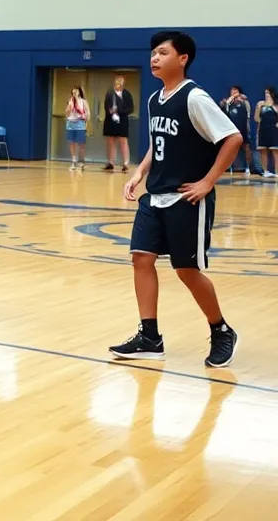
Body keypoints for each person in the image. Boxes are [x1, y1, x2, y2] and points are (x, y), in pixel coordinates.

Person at [111, 31, 242, 368]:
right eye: (153, 53)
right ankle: (149, 336)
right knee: (140, 258)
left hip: (187, 198)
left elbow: (233, 138)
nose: (155, 57)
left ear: (182, 59)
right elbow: (158, 144)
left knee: (186, 270)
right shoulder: (155, 99)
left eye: (163, 52)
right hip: (155, 195)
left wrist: (207, 183)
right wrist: (139, 172)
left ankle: (222, 330)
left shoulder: (195, 98)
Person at [102, 76, 134, 171]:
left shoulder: (127, 94)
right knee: (110, 141)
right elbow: (106, 106)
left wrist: (119, 111)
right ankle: (111, 162)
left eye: (120, 82)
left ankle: (126, 163)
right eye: (117, 82)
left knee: (123, 140)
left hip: (122, 120)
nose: (118, 84)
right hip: (110, 120)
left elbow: (130, 108)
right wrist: (111, 111)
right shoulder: (110, 94)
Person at [220, 86, 253, 175]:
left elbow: (248, 115)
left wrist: (248, 127)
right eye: (232, 90)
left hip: (243, 128)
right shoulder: (227, 102)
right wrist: (227, 102)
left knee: (246, 147)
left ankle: (248, 167)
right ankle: (228, 167)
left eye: (235, 90)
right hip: (231, 129)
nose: (233, 92)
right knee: (230, 148)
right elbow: (223, 110)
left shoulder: (244, 102)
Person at [65, 86, 90, 171]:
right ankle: (73, 161)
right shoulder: (70, 100)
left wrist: (86, 121)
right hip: (70, 124)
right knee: (71, 143)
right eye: (73, 90)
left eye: (76, 90)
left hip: (80, 123)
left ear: (80, 92)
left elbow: (88, 113)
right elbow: (67, 113)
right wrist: (69, 106)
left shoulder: (83, 101)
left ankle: (82, 161)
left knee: (81, 143)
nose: (75, 92)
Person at [256, 87, 278, 177]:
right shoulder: (261, 104)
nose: (266, 95)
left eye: (268, 93)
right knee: (263, 151)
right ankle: (265, 171)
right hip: (263, 130)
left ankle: (277, 172)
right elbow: (256, 119)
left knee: (275, 151)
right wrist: (258, 108)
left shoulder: (276, 105)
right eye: (265, 93)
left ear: (272, 94)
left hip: (274, 130)